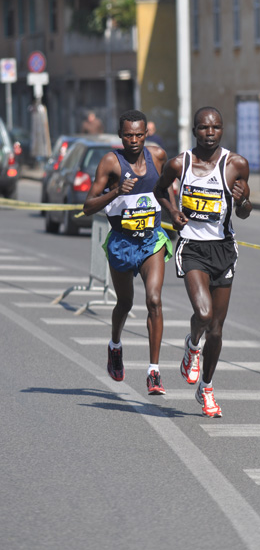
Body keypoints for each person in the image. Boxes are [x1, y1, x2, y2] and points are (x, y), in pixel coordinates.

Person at [154, 106, 252, 417]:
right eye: (204, 128)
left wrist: (245, 199)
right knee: (204, 313)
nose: (210, 133)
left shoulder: (236, 164)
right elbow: (160, 191)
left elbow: (245, 211)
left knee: (218, 330)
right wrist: (172, 212)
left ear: (222, 130)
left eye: (216, 128)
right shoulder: (178, 164)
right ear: (194, 130)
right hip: (193, 247)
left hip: (223, 250)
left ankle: (206, 387)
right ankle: (192, 345)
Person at [83, 109, 174, 395]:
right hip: (122, 242)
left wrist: (175, 212)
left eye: (138, 134)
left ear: (146, 134)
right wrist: (116, 192)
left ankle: (154, 372)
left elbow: (165, 190)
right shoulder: (111, 161)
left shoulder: (158, 156)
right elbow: (88, 206)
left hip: (151, 240)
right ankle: (115, 346)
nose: (133, 140)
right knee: (125, 303)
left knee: (154, 300)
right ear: (120, 136)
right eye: (128, 135)